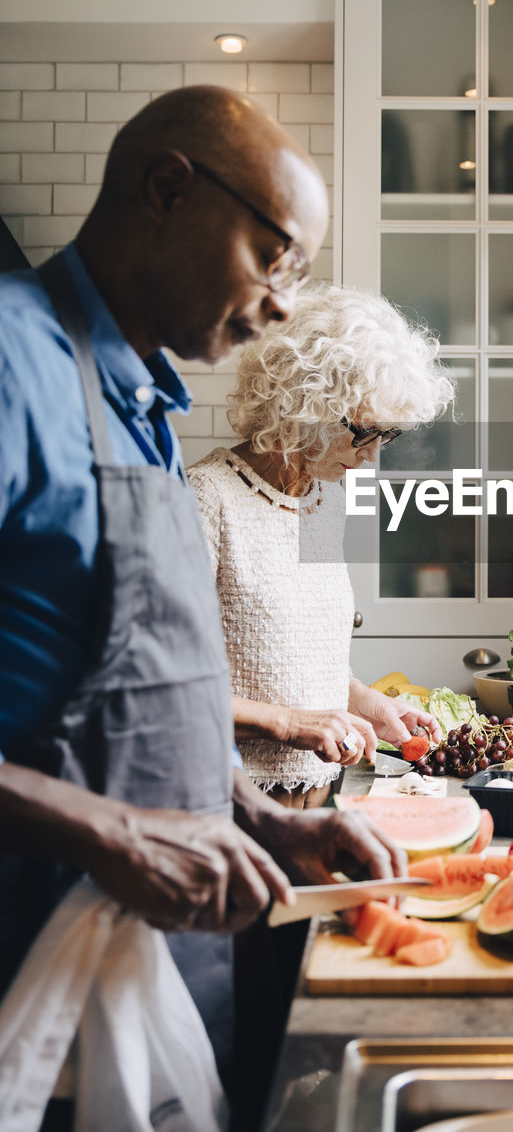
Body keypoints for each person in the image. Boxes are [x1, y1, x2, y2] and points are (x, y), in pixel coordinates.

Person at [0, 86, 408, 1113]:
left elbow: (152, 697)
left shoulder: (143, 412)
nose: (280, 301)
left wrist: (265, 818)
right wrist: (118, 834)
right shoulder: (12, 363)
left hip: (161, 949)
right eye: (276, 255)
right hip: (29, 954)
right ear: (168, 187)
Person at [187, 284, 452, 807]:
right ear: (304, 404)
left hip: (322, 796)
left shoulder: (322, 501)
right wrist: (285, 724)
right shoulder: (206, 499)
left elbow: (294, 660)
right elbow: (164, 690)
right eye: (363, 433)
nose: (373, 457)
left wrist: (365, 700)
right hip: (232, 808)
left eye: (387, 437)